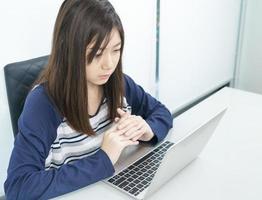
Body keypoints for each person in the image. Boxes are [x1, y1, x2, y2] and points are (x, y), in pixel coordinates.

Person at [4, 0, 173, 199]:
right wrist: (104, 159)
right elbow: (18, 187)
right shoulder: (43, 104)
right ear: (70, 50)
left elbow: (161, 113)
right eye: (97, 53)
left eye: (116, 50)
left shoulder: (118, 84)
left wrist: (147, 130)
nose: (109, 64)